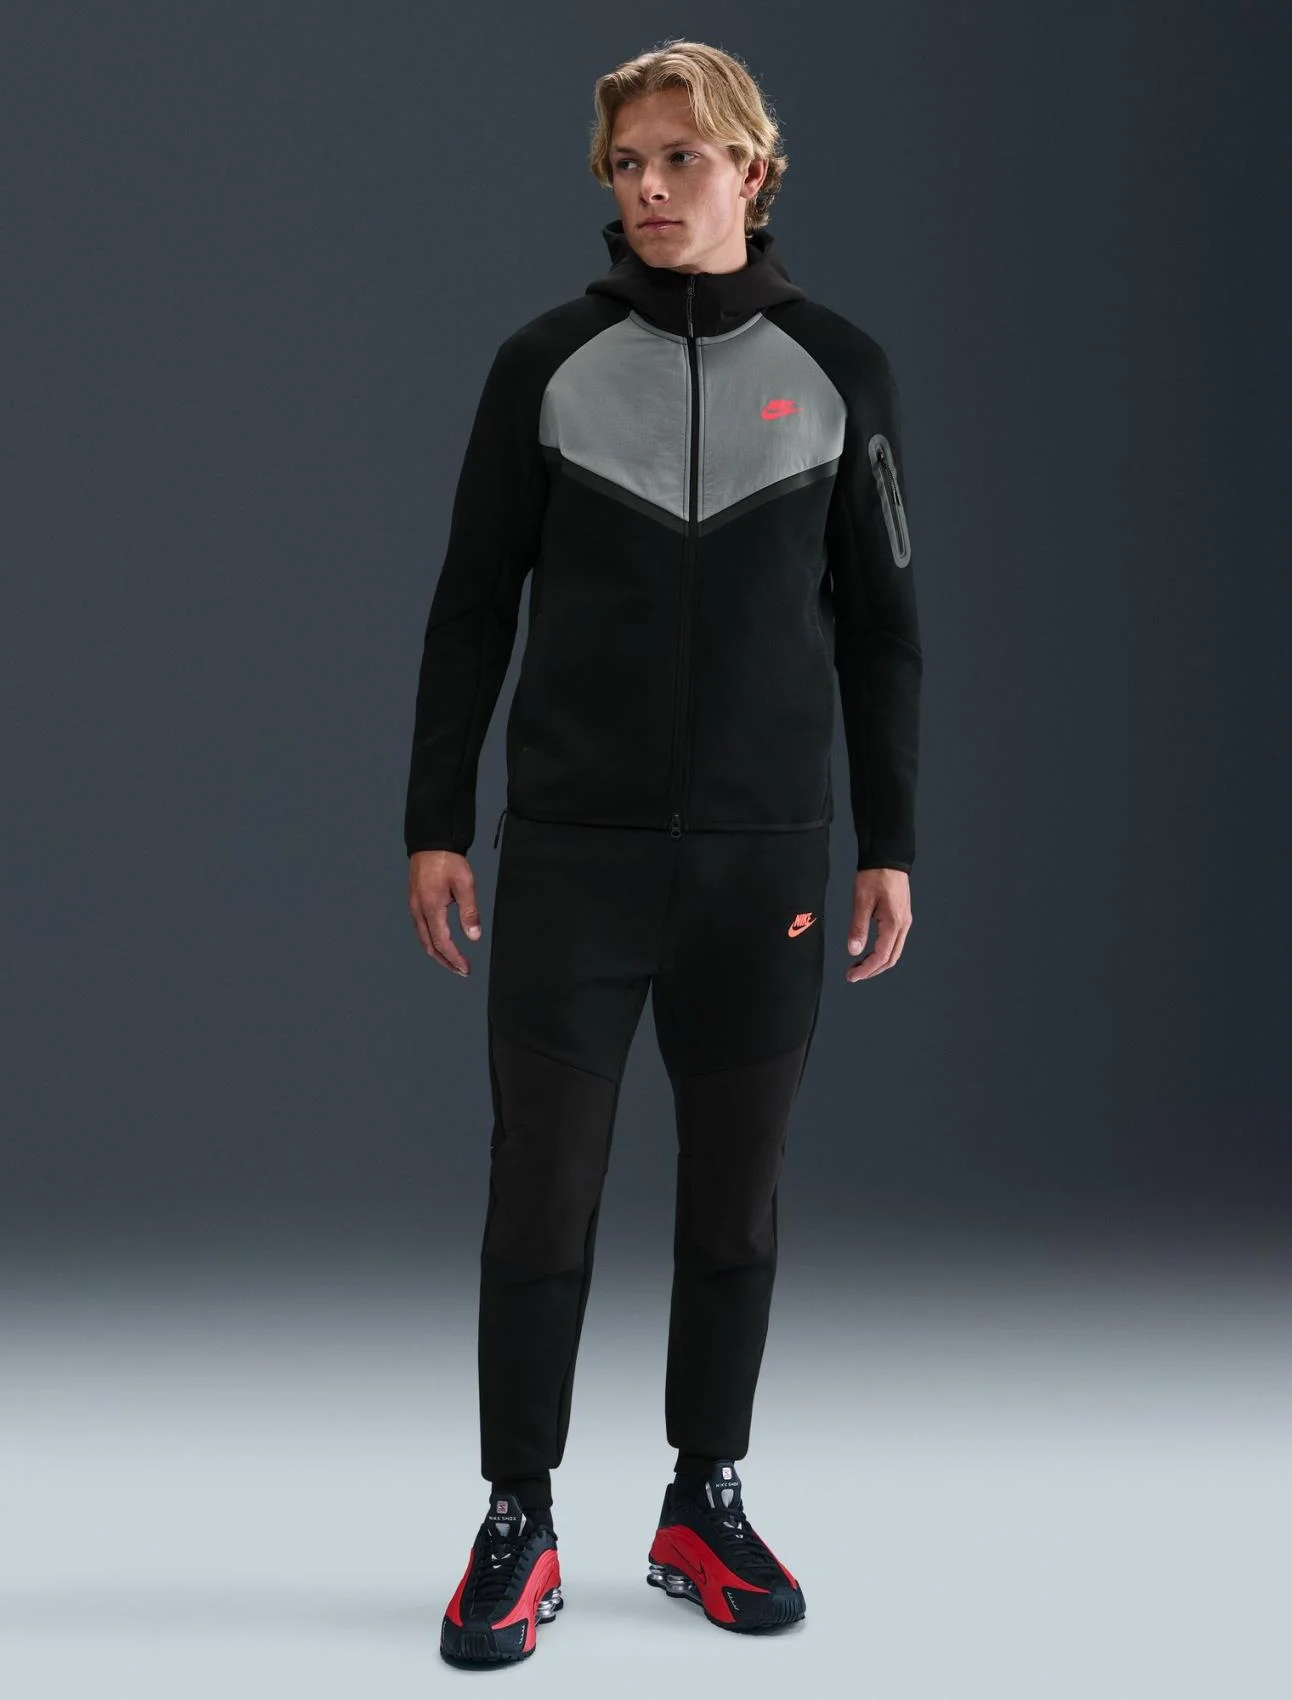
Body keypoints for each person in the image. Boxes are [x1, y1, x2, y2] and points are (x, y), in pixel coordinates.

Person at [408, 39, 920, 1667]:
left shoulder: (839, 368)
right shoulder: (543, 368)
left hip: (764, 865)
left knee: (734, 1202)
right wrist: (436, 821)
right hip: (575, 858)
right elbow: (471, 608)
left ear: (751, 171)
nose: (648, 187)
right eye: (626, 163)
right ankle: (518, 1516)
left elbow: (884, 630)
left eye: (679, 159)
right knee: (539, 1198)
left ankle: (706, 1499)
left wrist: (890, 842)